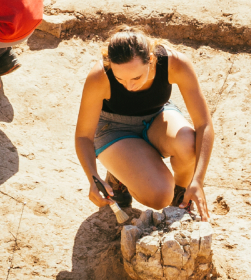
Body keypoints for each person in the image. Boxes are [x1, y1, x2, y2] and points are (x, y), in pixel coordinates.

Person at [73, 29, 215, 216]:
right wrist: (93, 178)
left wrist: (198, 180)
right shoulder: (100, 75)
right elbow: (83, 136)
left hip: (157, 116)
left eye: (136, 78)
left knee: (189, 143)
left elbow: (204, 125)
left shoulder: (175, 64)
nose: (129, 87)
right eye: (119, 78)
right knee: (160, 195)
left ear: (151, 59)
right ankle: (119, 178)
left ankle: (181, 197)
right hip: (114, 129)